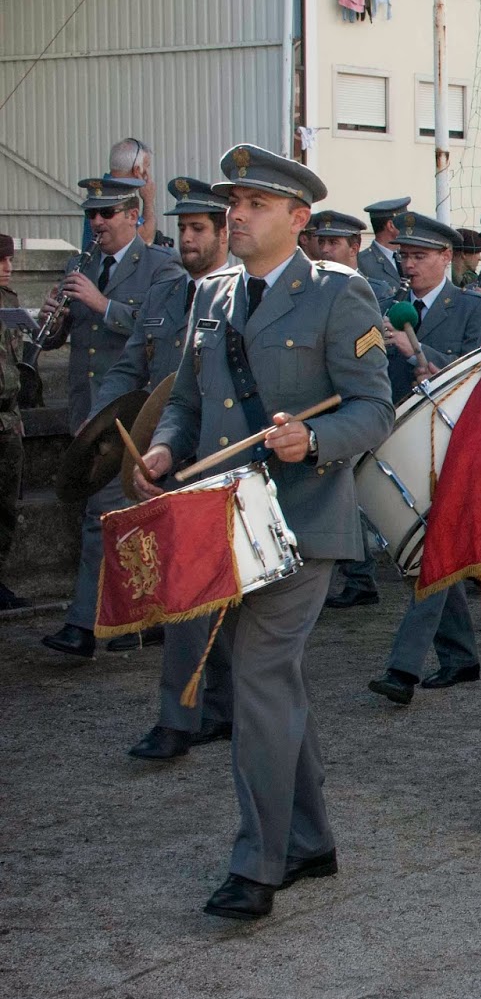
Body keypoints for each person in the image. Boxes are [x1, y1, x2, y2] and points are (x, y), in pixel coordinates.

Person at [133, 143, 393, 919]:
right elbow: (186, 400)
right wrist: (163, 446)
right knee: (274, 686)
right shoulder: (211, 295)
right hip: (221, 519)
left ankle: (258, 863)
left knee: (256, 680)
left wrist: (311, 441)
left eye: (252, 204)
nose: (235, 215)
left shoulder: (338, 295)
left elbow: (373, 408)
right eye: (233, 203)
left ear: (297, 217)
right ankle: (309, 838)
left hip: (302, 522)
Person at [93, 177, 236, 758]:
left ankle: (204, 714)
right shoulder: (167, 296)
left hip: (230, 465)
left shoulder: (240, 296)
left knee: (212, 598)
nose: (187, 240)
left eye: (199, 229)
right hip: (171, 462)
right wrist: (105, 434)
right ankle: (187, 717)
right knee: (186, 595)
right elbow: (139, 378)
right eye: (181, 229)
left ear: (224, 233)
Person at [38, 174, 183, 658]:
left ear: (131, 215)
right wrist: (52, 322)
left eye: (105, 214)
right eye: (90, 215)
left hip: (134, 412)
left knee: (103, 516)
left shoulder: (161, 266)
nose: (96, 223)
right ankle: (140, 618)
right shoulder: (80, 265)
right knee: (113, 514)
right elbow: (67, 342)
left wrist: (101, 304)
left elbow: (148, 336)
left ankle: (83, 625)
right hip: (90, 409)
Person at [366, 214, 481, 705]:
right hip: (404, 442)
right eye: (404, 256)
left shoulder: (472, 308)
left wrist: (420, 349)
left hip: (456, 444)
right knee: (434, 552)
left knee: (435, 549)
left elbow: (478, 369)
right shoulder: (389, 307)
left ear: (446, 258)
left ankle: (403, 668)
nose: (410, 265)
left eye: (420, 256)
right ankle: (460, 655)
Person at [305, 209, 390, 610]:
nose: (324, 249)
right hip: (327, 414)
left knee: (360, 494)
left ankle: (362, 573)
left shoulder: (368, 291)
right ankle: (356, 573)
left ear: (355, 247)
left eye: (334, 243)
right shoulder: (309, 292)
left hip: (366, 410)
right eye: (320, 241)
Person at [0, 234, 26, 610]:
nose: (7, 267)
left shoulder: (10, 303)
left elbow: (16, 363)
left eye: (8, 260)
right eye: (1, 261)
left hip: (7, 416)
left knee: (5, 504)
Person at [358, 197, 408, 289]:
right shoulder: (361, 263)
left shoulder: (407, 256)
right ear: (391, 226)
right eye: (404, 222)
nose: (408, 228)